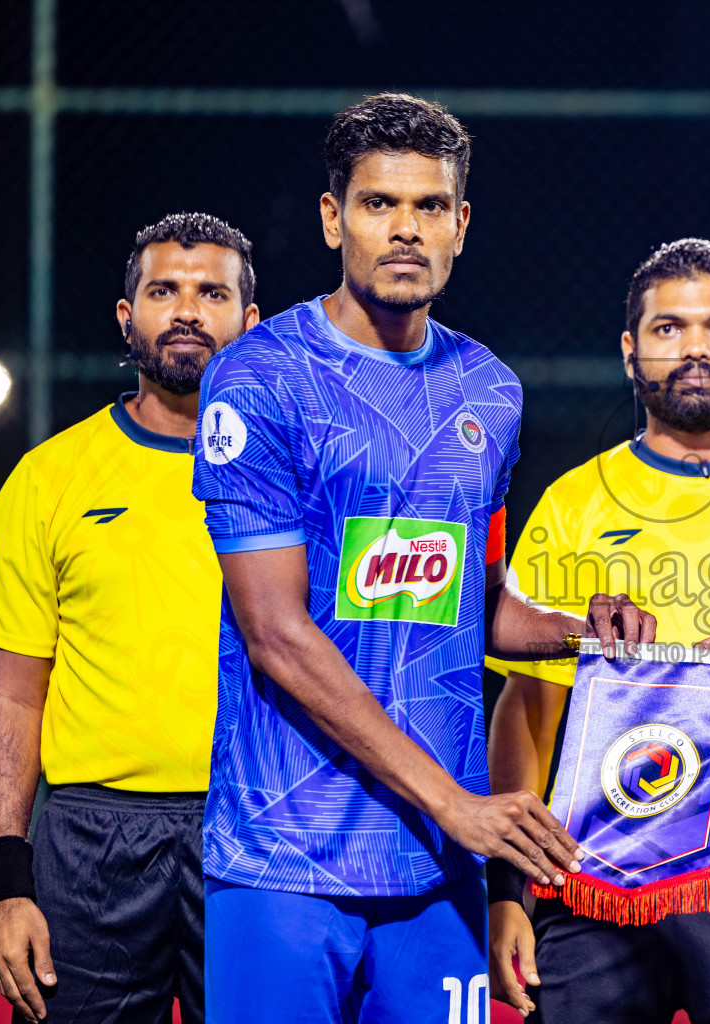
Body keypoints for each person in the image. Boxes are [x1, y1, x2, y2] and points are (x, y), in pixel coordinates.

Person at [191, 93, 654, 1024]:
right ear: (334, 219)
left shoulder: (489, 389)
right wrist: (456, 802)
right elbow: (274, 633)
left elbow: (472, 603)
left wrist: (582, 633)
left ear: (461, 225)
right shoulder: (257, 379)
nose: (406, 228)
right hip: (285, 858)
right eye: (379, 204)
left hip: (437, 868)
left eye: (430, 206)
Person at [483, 238, 710, 1024]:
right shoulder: (572, 504)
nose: (695, 347)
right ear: (630, 351)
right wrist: (506, 890)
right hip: (594, 855)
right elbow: (527, 709)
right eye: (668, 328)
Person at [0, 212, 260, 1022]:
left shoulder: (300, 477)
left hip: (257, 828)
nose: (187, 310)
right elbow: (12, 691)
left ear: (249, 321)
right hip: (91, 840)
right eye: (164, 291)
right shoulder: (50, 477)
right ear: (128, 318)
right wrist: (4, 883)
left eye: (212, 293)